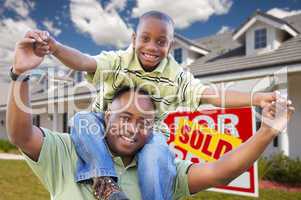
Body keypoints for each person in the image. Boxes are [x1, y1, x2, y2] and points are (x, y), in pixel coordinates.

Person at [24, 11, 278, 200]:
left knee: (158, 152)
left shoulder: (175, 75)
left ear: (170, 44)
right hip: (103, 122)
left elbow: (209, 94)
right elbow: (85, 62)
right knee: (82, 121)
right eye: (145, 38)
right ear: (134, 39)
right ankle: (104, 183)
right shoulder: (120, 60)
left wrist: (255, 98)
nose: (152, 47)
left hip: (149, 131)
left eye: (161, 41)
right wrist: (55, 48)